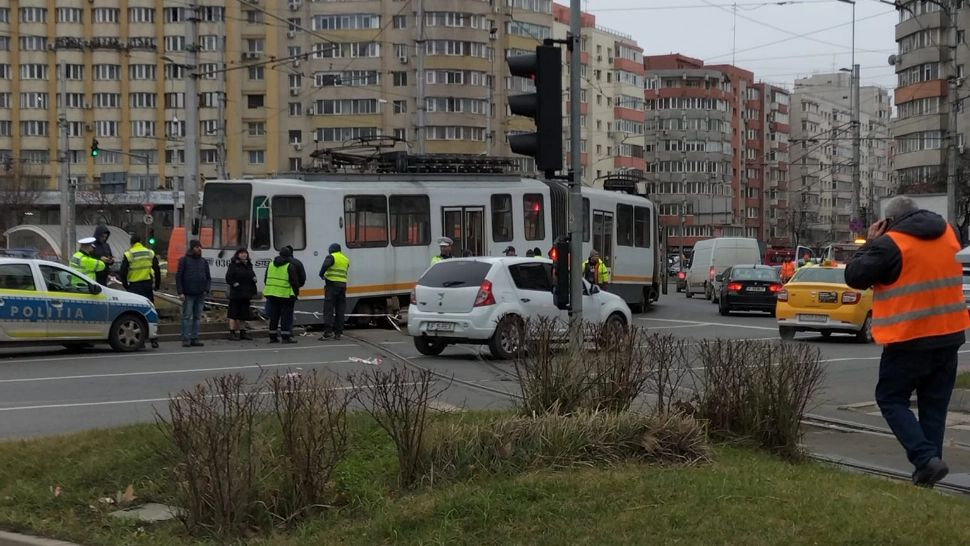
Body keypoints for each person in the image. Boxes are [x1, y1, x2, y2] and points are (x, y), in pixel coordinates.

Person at [845, 196, 970, 488]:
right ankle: (928, 473)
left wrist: (872, 242)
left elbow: (855, 276)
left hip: (909, 338)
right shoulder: (949, 232)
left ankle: (925, 459)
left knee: (890, 398)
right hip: (948, 337)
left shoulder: (890, 244)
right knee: (934, 408)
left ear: (889, 222)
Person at [175, 239, 211, 348]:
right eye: (197, 247)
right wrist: (180, 292)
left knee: (197, 317)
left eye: (200, 247)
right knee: (187, 316)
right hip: (188, 294)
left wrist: (206, 289)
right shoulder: (184, 260)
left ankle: (195, 338)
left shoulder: (203, 261)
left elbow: (208, 277)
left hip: (200, 293)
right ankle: (186, 338)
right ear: (192, 248)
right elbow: (179, 277)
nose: (199, 249)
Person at [264, 246, 301, 344]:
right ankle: (285, 337)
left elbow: (265, 279)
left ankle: (272, 337)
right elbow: (294, 282)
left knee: (274, 316)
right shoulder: (289, 266)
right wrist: (296, 293)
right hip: (285, 296)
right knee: (286, 317)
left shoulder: (271, 264)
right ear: (289, 255)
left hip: (271, 294)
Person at [318, 243, 350, 341]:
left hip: (332, 285)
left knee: (329, 309)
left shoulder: (331, 257)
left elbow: (325, 266)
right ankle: (338, 333)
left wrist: (321, 274)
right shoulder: (346, 259)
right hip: (343, 286)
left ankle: (328, 332)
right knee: (340, 309)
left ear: (331, 249)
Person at [225, 248, 257, 341]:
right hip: (236, 293)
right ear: (238, 255)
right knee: (233, 314)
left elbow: (251, 274)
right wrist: (234, 283)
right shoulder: (233, 265)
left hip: (246, 293)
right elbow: (228, 277)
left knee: (244, 314)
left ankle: (243, 332)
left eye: (245, 253)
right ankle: (232, 332)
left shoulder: (249, 265)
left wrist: (254, 278)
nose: (244, 255)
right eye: (242, 253)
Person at [120, 233, 161, 303]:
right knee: (148, 306)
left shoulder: (129, 254)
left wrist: (126, 285)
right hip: (147, 285)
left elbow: (123, 272)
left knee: (135, 308)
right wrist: (157, 285)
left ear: (131, 243)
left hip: (134, 286)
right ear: (141, 242)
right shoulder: (150, 253)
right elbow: (157, 270)